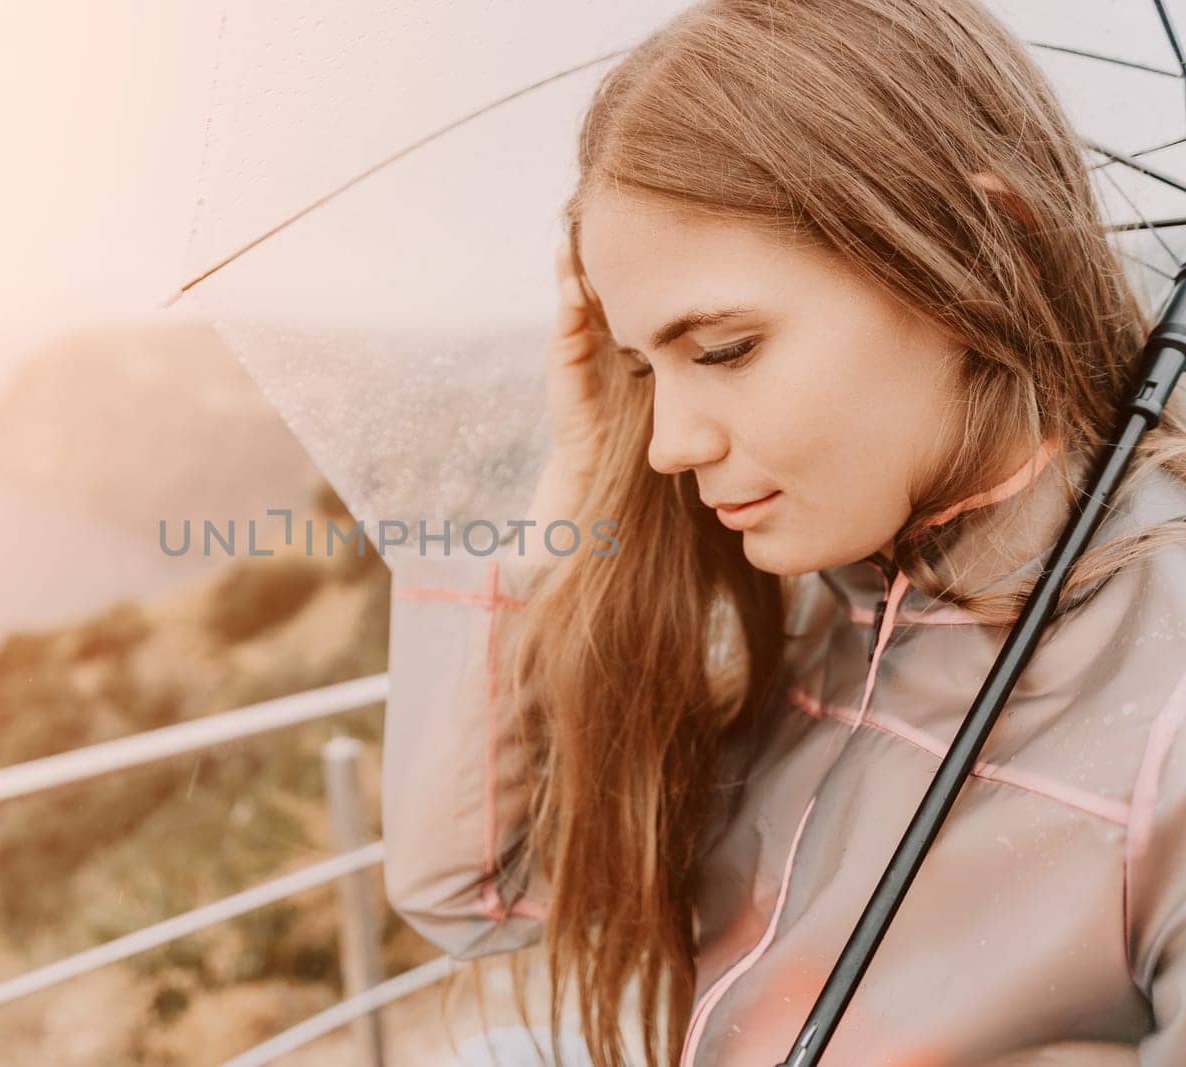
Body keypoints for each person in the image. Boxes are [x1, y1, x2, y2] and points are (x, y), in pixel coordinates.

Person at [379, 1, 1186, 1064]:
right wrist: (570, 504)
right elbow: (475, 884)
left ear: (983, 254)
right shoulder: (828, 599)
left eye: (722, 347)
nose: (665, 442)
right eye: (638, 370)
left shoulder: (1162, 697)